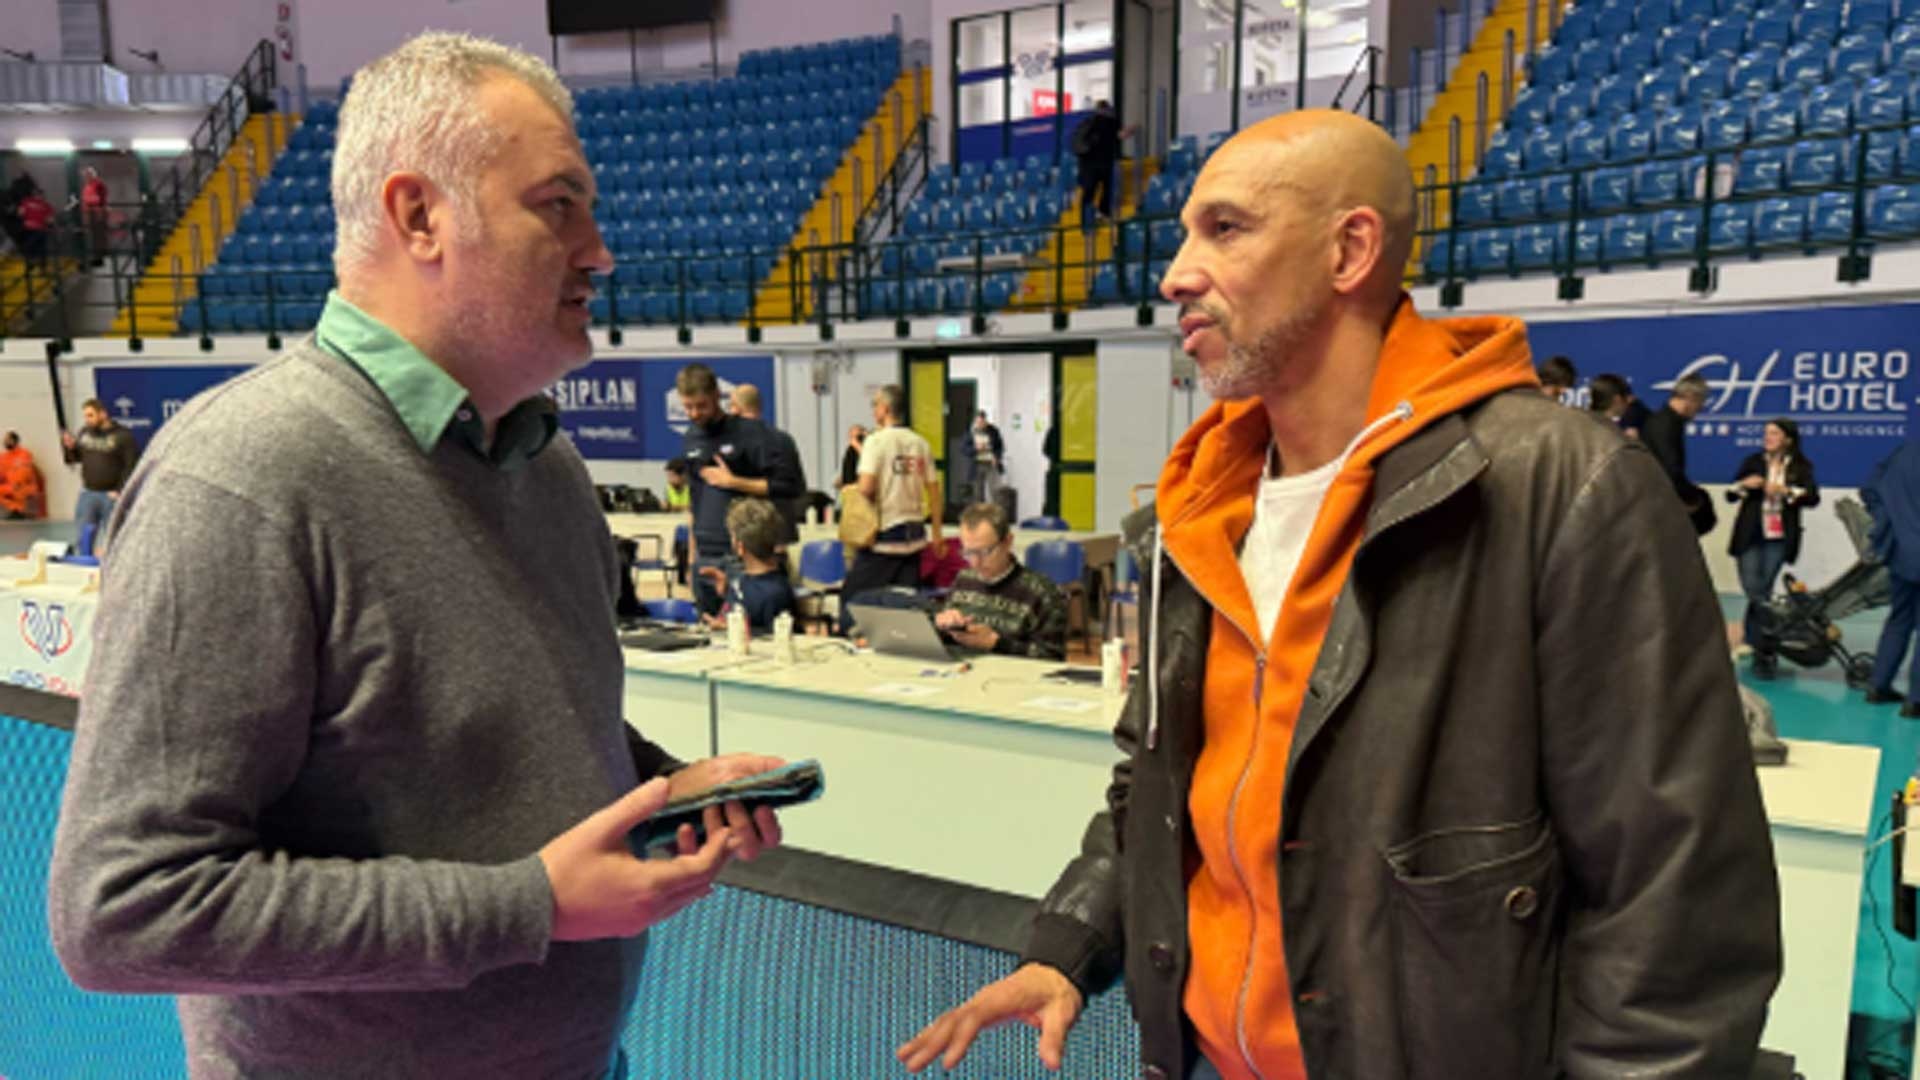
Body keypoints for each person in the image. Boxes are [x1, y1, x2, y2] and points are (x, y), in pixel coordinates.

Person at [900, 110, 1778, 1080]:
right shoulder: (1199, 508)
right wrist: (1070, 946)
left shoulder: (1563, 487)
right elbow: (1153, 789)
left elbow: (1678, 900)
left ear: (1350, 250)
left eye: (1225, 229)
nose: (1176, 274)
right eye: (1185, 235)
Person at [47, 33, 785, 1078]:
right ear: (420, 216)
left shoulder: (544, 465)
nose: (599, 252)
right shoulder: (242, 478)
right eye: (558, 205)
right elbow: (122, 911)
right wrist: (527, 906)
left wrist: (661, 786)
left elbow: (495, 722)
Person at [677, 363, 804, 617]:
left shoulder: (752, 434)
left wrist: (734, 482)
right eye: (688, 407)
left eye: (701, 406)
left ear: (717, 396)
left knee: (746, 632)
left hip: (743, 556)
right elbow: (695, 500)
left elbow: (791, 486)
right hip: (705, 554)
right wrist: (692, 557)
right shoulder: (691, 437)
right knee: (709, 630)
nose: (694, 413)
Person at [841, 384, 941, 634]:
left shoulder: (876, 441)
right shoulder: (920, 443)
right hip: (914, 537)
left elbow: (866, 487)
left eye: (875, 404)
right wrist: (937, 534)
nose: (873, 410)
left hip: (884, 538)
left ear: (885, 409)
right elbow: (934, 491)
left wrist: (851, 488)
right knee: (905, 606)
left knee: (853, 602)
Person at [1726, 419, 1819, 679]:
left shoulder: (1801, 466)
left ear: (1788, 439)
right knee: (1754, 589)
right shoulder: (1752, 462)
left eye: (1774, 433)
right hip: (1751, 534)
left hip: (1779, 537)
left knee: (1763, 590)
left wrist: (1786, 491)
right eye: (1766, 433)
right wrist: (1745, 485)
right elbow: (1731, 494)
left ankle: (1758, 645)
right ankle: (1766, 639)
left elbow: (1812, 498)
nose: (1768, 437)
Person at [933, 502, 1067, 660]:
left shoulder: (1042, 593)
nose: (975, 562)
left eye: (985, 552)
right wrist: (943, 627)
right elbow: (947, 640)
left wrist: (996, 643)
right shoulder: (964, 579)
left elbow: (1052, 657)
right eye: (968, 552)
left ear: (1007, 542)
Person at [1865, 434, 1920, 714]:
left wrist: (1890, 525)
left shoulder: (1903, 453)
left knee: (1899, 619)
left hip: (1900, 551)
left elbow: (1870, 490)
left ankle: (1879, 684)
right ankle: (1916, 700)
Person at [698, 497, 798, 633]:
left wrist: (732, 629)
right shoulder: (742, 580)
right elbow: (742, 606)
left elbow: (774, 637)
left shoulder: (775, 594)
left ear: (740, 547)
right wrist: (726, 591)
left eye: (732, 536)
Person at [59, 398, 140, 555]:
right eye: (85, 416)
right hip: (88, 493)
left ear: (103, 414)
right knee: (83, 537)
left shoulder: (123, 436)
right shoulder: (84, 433)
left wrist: (119, 490)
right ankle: (84, 563)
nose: (87, 420)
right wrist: (70, 447)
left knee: (114, 538)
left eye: (90, 415)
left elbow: (131, 465)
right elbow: (75, 458)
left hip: (111, 496)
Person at [729, 381, 806, 543]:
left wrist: (732, 482)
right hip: (781, 529)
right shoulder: (784, 439)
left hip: (749, 530)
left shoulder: (731, 441)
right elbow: (798, 487)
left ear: (735, 408)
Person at [1640, 373, 1715, 534]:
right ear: (1690, 397)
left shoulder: (1665, 422)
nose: (1701, 408)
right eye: (1700, 402)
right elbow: (1670, 468)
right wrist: (1690, 498)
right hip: (1660, 501)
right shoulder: (1665, 425)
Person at [1070, 100, 1133, 226]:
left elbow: (1078, 144)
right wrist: (1130, 131)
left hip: (1089, 165)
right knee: (1106, 189)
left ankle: (1087, 221)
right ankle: (1102, 214)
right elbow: (1120, 135)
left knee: (1090, 192)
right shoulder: (1111, 123)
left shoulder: (1088, 123)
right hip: (1103, 162)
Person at [1586, 371, 1647, 439]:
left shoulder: (1584, 424)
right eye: (1627, 396)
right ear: (1617, 399)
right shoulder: (1615, 433)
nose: (1630, 400)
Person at [0, 430, 46, 519]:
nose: (4, 442)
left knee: (18, 490)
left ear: (14, 441)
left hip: (24, 486)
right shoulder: (3, 457)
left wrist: (16, 484)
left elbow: (24, 473)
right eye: (4, 440)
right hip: (9, 487)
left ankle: (19, 510)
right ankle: (15, 510)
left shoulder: (25, 454)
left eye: (7, 439)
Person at [966, 410, 1006, 503]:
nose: (980, 424)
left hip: (991, 464)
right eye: (978, 422)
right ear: (975, 422)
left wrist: (997, 457)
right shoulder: (971, 432)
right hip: (977, 465)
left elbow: (1000, 447)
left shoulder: (993, 431)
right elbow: (964, 448)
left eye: (982, 422)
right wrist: (975, 448)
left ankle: (995, 510)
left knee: (994, 490)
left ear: (986, 421)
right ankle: (980, 511)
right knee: (978, 493)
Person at [17, 184, 54, 264]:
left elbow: (20, 213)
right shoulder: (46, 206)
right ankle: (41, 265)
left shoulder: (26, 201)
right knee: (40, 247)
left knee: (30, 246)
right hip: (38, 230)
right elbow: (50, 220)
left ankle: (31, 263)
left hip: (28, 229)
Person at [80, 166, 109, 266]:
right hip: (89, 213)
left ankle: (99, 258)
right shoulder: (87, 186)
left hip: (96, 212)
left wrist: (99, 211)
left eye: (88, 175)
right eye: (85, 175)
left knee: (98, 237)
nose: (86, 177)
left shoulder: (98, 185)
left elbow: (101, 199)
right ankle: (94, 257)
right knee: (92, 237)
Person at [840, 424, 865, 488]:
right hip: (851, 487)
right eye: (852, 437)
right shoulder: (850, 451)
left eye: (859, 437)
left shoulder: (870, 448)